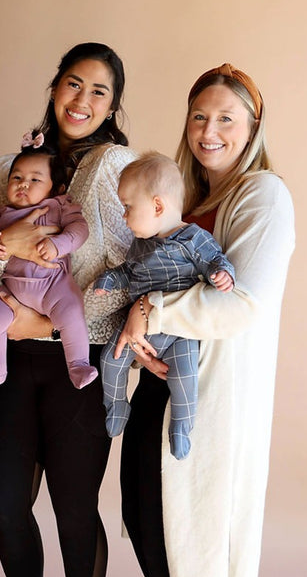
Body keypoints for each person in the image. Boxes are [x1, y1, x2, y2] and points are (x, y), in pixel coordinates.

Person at [112, 63, 295, 577]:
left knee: (181, 530)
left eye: (226, 118)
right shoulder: (186, 194)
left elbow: (240, 303)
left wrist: (150, 308)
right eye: (199, 117)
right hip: (160, 379)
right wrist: (135, 321)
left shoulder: (264, 196)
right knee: (141, 512)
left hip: (209, 397)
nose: (210, 130)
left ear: (252, 127)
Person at [0, 42, 136, 577]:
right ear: (55, 86)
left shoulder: (116, 167)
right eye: (75, 84)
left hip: (81, 357)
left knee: (74, 505)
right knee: (5, 497)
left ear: (112, 106)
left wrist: (43, 318)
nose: (83, 100)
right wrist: (7, 262)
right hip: (13, 360)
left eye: (99, 91)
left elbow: (123, 271)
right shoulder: (12, 166)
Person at [94, 152, 235, 459]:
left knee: (185, 379)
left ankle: (182, 427)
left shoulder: (194, 238)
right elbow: (128, 272)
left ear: (157, 205)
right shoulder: (140, 244)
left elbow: (215, 261)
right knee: (110, 359)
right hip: (138, 329)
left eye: (128, 207)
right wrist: (110, 279)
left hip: (177, 329)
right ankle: (116, 404)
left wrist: (222, 275)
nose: (123, 216)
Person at [0, 139, 98, 390]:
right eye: (16, 178)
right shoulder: (2, 213)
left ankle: (78, 364)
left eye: (35, 179)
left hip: (54, 286)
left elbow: (80, 230)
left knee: (71, 314)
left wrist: (59, 244)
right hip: (13, 289)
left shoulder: (59, 206)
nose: (23, 184)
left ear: (55, 188)